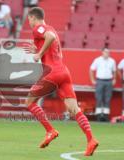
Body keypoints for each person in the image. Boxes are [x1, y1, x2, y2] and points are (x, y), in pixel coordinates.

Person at [24, 7, 98, 156]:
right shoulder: (52, 28)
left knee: (29, 102)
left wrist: (39, 54)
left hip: (51, 73)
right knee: (73, 109)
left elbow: (49, 37)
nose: (29, 23)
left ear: (33, 17)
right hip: (64, 72)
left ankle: (50, 130)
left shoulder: (39, 28)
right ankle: (91, 140)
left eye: (29, 19)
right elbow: (57, 50)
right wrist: (38, 49)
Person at [90, 48, 116, 121]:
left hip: (109, 81)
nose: (107, 53)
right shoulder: (97, 60)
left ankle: (106, 115)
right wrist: (92, 80)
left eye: (108, 52)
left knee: (107, 99)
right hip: (99, 81)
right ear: (102, 52)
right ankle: (98, 116)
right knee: (99, 98)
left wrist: (114, 79)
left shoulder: (112, 61)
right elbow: (91, 69)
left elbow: (114, 71)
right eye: (106, 52)